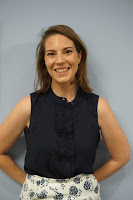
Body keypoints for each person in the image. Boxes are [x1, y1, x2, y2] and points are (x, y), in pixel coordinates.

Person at [0, 25, 130, 200]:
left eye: (67, 51)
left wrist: (86, 185)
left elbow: (121, 157)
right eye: (51, 54)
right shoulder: (28, 106)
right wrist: (29, 184)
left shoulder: (99, 107)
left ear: (79, 56)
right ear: (44, 61)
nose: (59, 60)